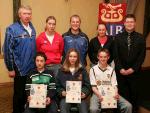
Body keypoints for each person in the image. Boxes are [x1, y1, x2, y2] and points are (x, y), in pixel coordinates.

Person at [3, 5, 36, 113]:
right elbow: (7, 50)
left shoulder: (32, 28)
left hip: (31, 67)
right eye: (24, 13)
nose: (27, 16)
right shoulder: (12, 29)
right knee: (19, 95)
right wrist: (10, 68)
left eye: (29, 14)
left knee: (29, 93)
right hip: (19, 68)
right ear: (19, 15)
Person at [114, 14, 146, 111]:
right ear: (124, 23)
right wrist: (121, 69)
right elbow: (116, 55)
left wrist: (133, 69)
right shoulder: (118, 37)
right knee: (121, 97)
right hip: (121, 73)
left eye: (131, 22)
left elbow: (142, 56)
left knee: (134, 96)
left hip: (134, 73)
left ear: (135, 23)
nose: (129, 24)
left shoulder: (141, 38)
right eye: (127, 22)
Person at [89, 48, 132, 113]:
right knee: (93, 109)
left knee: (128, 106)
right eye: (101, 57)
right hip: (97, 93)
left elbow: (115, 85)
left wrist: (116, 93)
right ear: (98, 57)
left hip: (111, 93)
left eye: (105, 57)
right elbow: (93, 87)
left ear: (108, 57)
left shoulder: (111, 70)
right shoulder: (93, 69)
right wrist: (99, 95)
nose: (103, 59)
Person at [56, 48, 91, 113]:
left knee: (84, 111)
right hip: (65, 97)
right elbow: (57, 86)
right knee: (63, 110)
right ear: (67, 57)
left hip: (80, 97)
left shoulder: (82, 70)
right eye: (71, 56)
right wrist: (62, 92)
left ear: (77, 58)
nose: (72, 58)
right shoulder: (61, 70)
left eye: (75, 56)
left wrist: (84, 93)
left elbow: (87, 85)